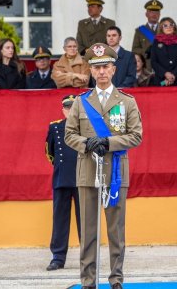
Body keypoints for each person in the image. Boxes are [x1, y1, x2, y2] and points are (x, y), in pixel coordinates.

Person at [64, 43, 143, 289]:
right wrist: (88, 143)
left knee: (116, 231)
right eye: (96, 67)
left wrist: (107, 142)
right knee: (88, 232)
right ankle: (88, 281)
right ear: (90, 70)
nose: (101, 72)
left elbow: (136, 135)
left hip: (116, 172)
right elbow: (69, 134)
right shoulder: (81, 101)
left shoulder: (127, 102)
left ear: (114, 69)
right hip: (88, 171)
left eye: (105, 66)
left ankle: (116, 278)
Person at [45, 94, 81, 272]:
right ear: (63, 110)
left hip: (83, 178)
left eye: (73, 108)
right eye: (67, 108)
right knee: (60, 220)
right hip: (61, 178)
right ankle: (58, 257)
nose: (70, 111)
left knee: (86, 221)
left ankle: (89, 257)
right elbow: (49, 152)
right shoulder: (55, 127)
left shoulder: (87, 127)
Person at [151, 17, 177, 86]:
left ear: (174, 27)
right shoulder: (156, 42)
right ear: (161, 28)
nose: (169, 27)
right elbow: (153, 62)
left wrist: (173, 75)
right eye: (165, 25)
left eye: (171, 24)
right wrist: (165, 74)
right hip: (161, 81)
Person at [131, 0, 163, 70]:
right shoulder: (140, 31)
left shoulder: (164, 30)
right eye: (151, 12)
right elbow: (134, 49)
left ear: (160, 15)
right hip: (146, 67)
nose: (154, 14)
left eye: (157, 12)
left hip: (162, 67)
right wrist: (146, 51)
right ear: (146, 14)